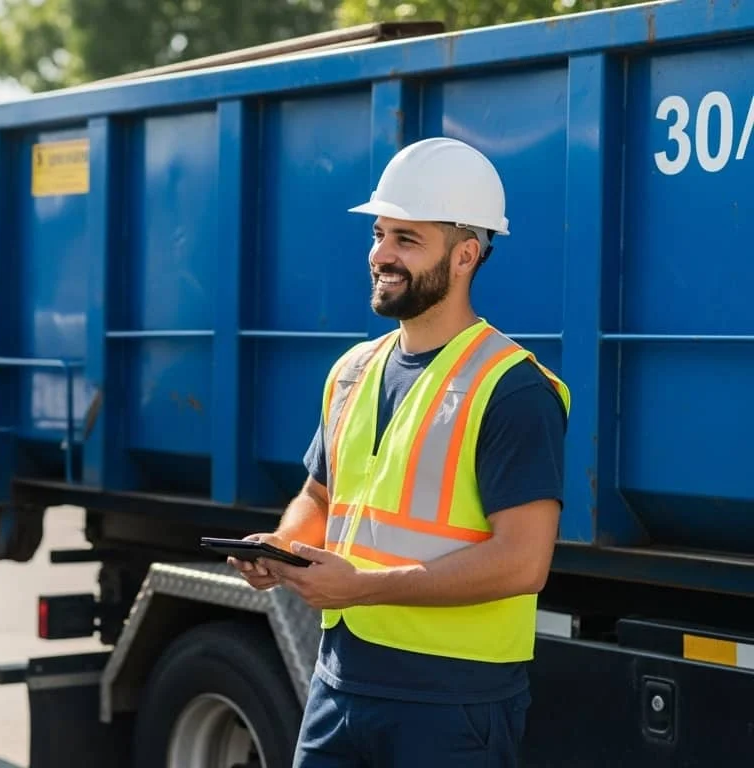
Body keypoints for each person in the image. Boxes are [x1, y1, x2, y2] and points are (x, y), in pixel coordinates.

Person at [229, 137, 570, 767]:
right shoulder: (354, 370)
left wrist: (361, 587)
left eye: (406, 240)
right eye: (380, 234)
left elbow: (524, 563)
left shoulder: (514, 387)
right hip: (339, 682)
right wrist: (281, 550)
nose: (381, 255)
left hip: (454, 704)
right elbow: (321, 497)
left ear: (466, 254)